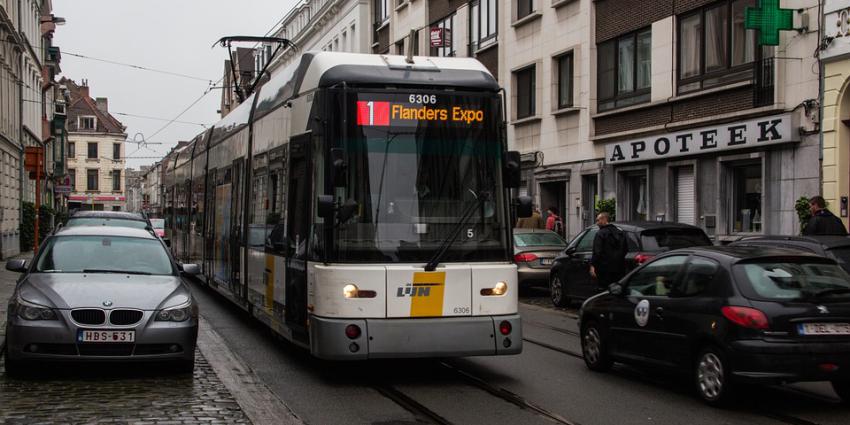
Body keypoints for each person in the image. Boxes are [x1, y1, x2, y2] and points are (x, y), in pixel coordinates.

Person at [590, 212, 628, 290]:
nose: (597, 223)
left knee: (603, 290)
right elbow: (625, 249)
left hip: (604, 270)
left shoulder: (600, 233)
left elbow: (597, 252)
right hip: (619, 268)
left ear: (604, 219)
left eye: (598, 220)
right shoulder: (620, 233)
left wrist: (593, 265)